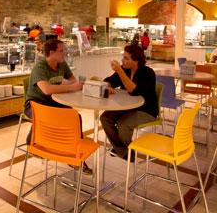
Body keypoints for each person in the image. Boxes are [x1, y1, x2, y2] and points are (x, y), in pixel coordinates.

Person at [24, 39, 91, 173]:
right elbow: (47, 90)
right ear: (51, 52)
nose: (64, 53)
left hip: (54, 102)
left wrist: (67, 84)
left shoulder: (62, 64)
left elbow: (73, 80)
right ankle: (34, 142)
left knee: (75, 117)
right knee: (56, 119)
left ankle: (73, 154)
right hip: (35, 105)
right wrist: (69, 87)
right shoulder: (40, 67)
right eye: (61, 51)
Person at [100, 43, 159, 161]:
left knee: (123, 125)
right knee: (105, 118)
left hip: (146, 110)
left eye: (126, 58)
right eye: (123, 57)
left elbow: (134, 91)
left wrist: (120, 71)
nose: (123, 61)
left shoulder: (147, 73)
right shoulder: (125, 70)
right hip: (127, 107)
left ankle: (125, 152)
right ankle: (123, 150)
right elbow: (109, 80)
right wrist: (108, 86)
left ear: (136, 61)